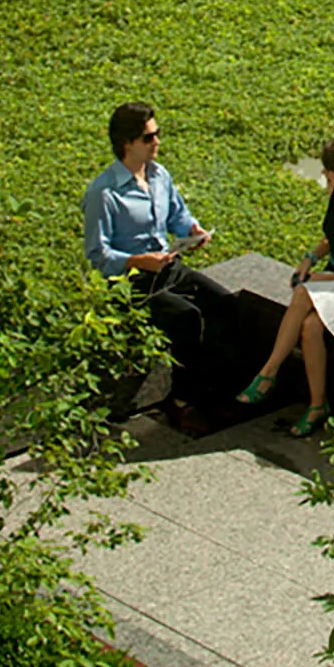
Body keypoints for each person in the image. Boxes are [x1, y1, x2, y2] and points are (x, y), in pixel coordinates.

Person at [82, 100, 238, 430]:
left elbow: (177, 216)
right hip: (132, 280)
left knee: (225, 305)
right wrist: (138, 261)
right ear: (128, 143)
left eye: (158, 135)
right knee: (187, 319)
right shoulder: (104, 193)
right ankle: (181, 399)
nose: (157, 143)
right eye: (149, 138)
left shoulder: (159, 175)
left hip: (169, 267)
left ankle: (219, 388)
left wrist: (192, 231)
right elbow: (98, 255)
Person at [234, 134, 334, 437]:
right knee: (310, 327)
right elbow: (333, 237)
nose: (325, 174)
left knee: (303, 292)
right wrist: (310, 259)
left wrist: (326, 278)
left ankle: (268, 372)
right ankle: (318, 404)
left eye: (328, 170)